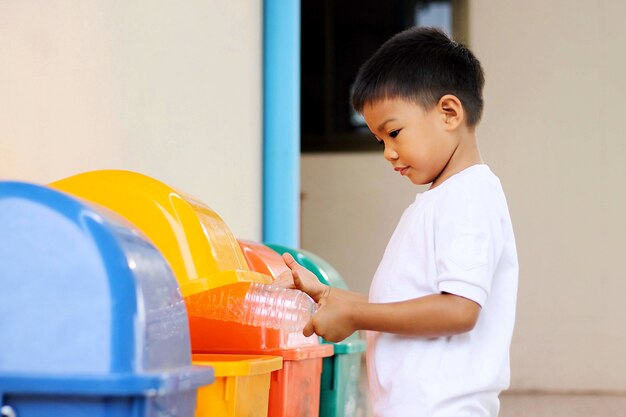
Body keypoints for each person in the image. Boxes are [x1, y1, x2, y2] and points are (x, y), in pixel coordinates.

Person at [277, 27, 518, 417]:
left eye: (394, 132)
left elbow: (459, 310)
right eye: (379, 140)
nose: (388, 153)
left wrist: (355, 315)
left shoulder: (469, 196)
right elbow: (409, 305)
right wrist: (330, 296)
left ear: (449, 113)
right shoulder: (441, 199)